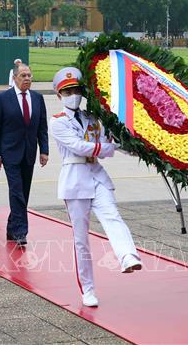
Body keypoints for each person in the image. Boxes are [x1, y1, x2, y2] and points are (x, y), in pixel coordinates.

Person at [50, 67, 142, 307]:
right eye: (67, 91)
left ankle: (127, 255)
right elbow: (80, 147)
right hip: (75, 178)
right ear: (59, 95)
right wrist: (109, 148)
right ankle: (88, 290)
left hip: (97, 174)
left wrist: (135, 148)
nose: (74, 94)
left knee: (112, 215)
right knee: (81, 239)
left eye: (76, 89)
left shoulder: (93, 117)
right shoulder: (58, 122)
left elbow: (108, 139)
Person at [0, 63, 49, 246]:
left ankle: (11, 226)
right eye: (23, 75)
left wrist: (44, 150)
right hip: (9, 153)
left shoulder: (38, 98)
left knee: (23, 192)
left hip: (29, 153)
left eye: (29, 75)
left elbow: (42, 127)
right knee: (16, 191)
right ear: (15, 78)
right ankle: (20, 231)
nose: (27, 79)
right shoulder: (3, 99)